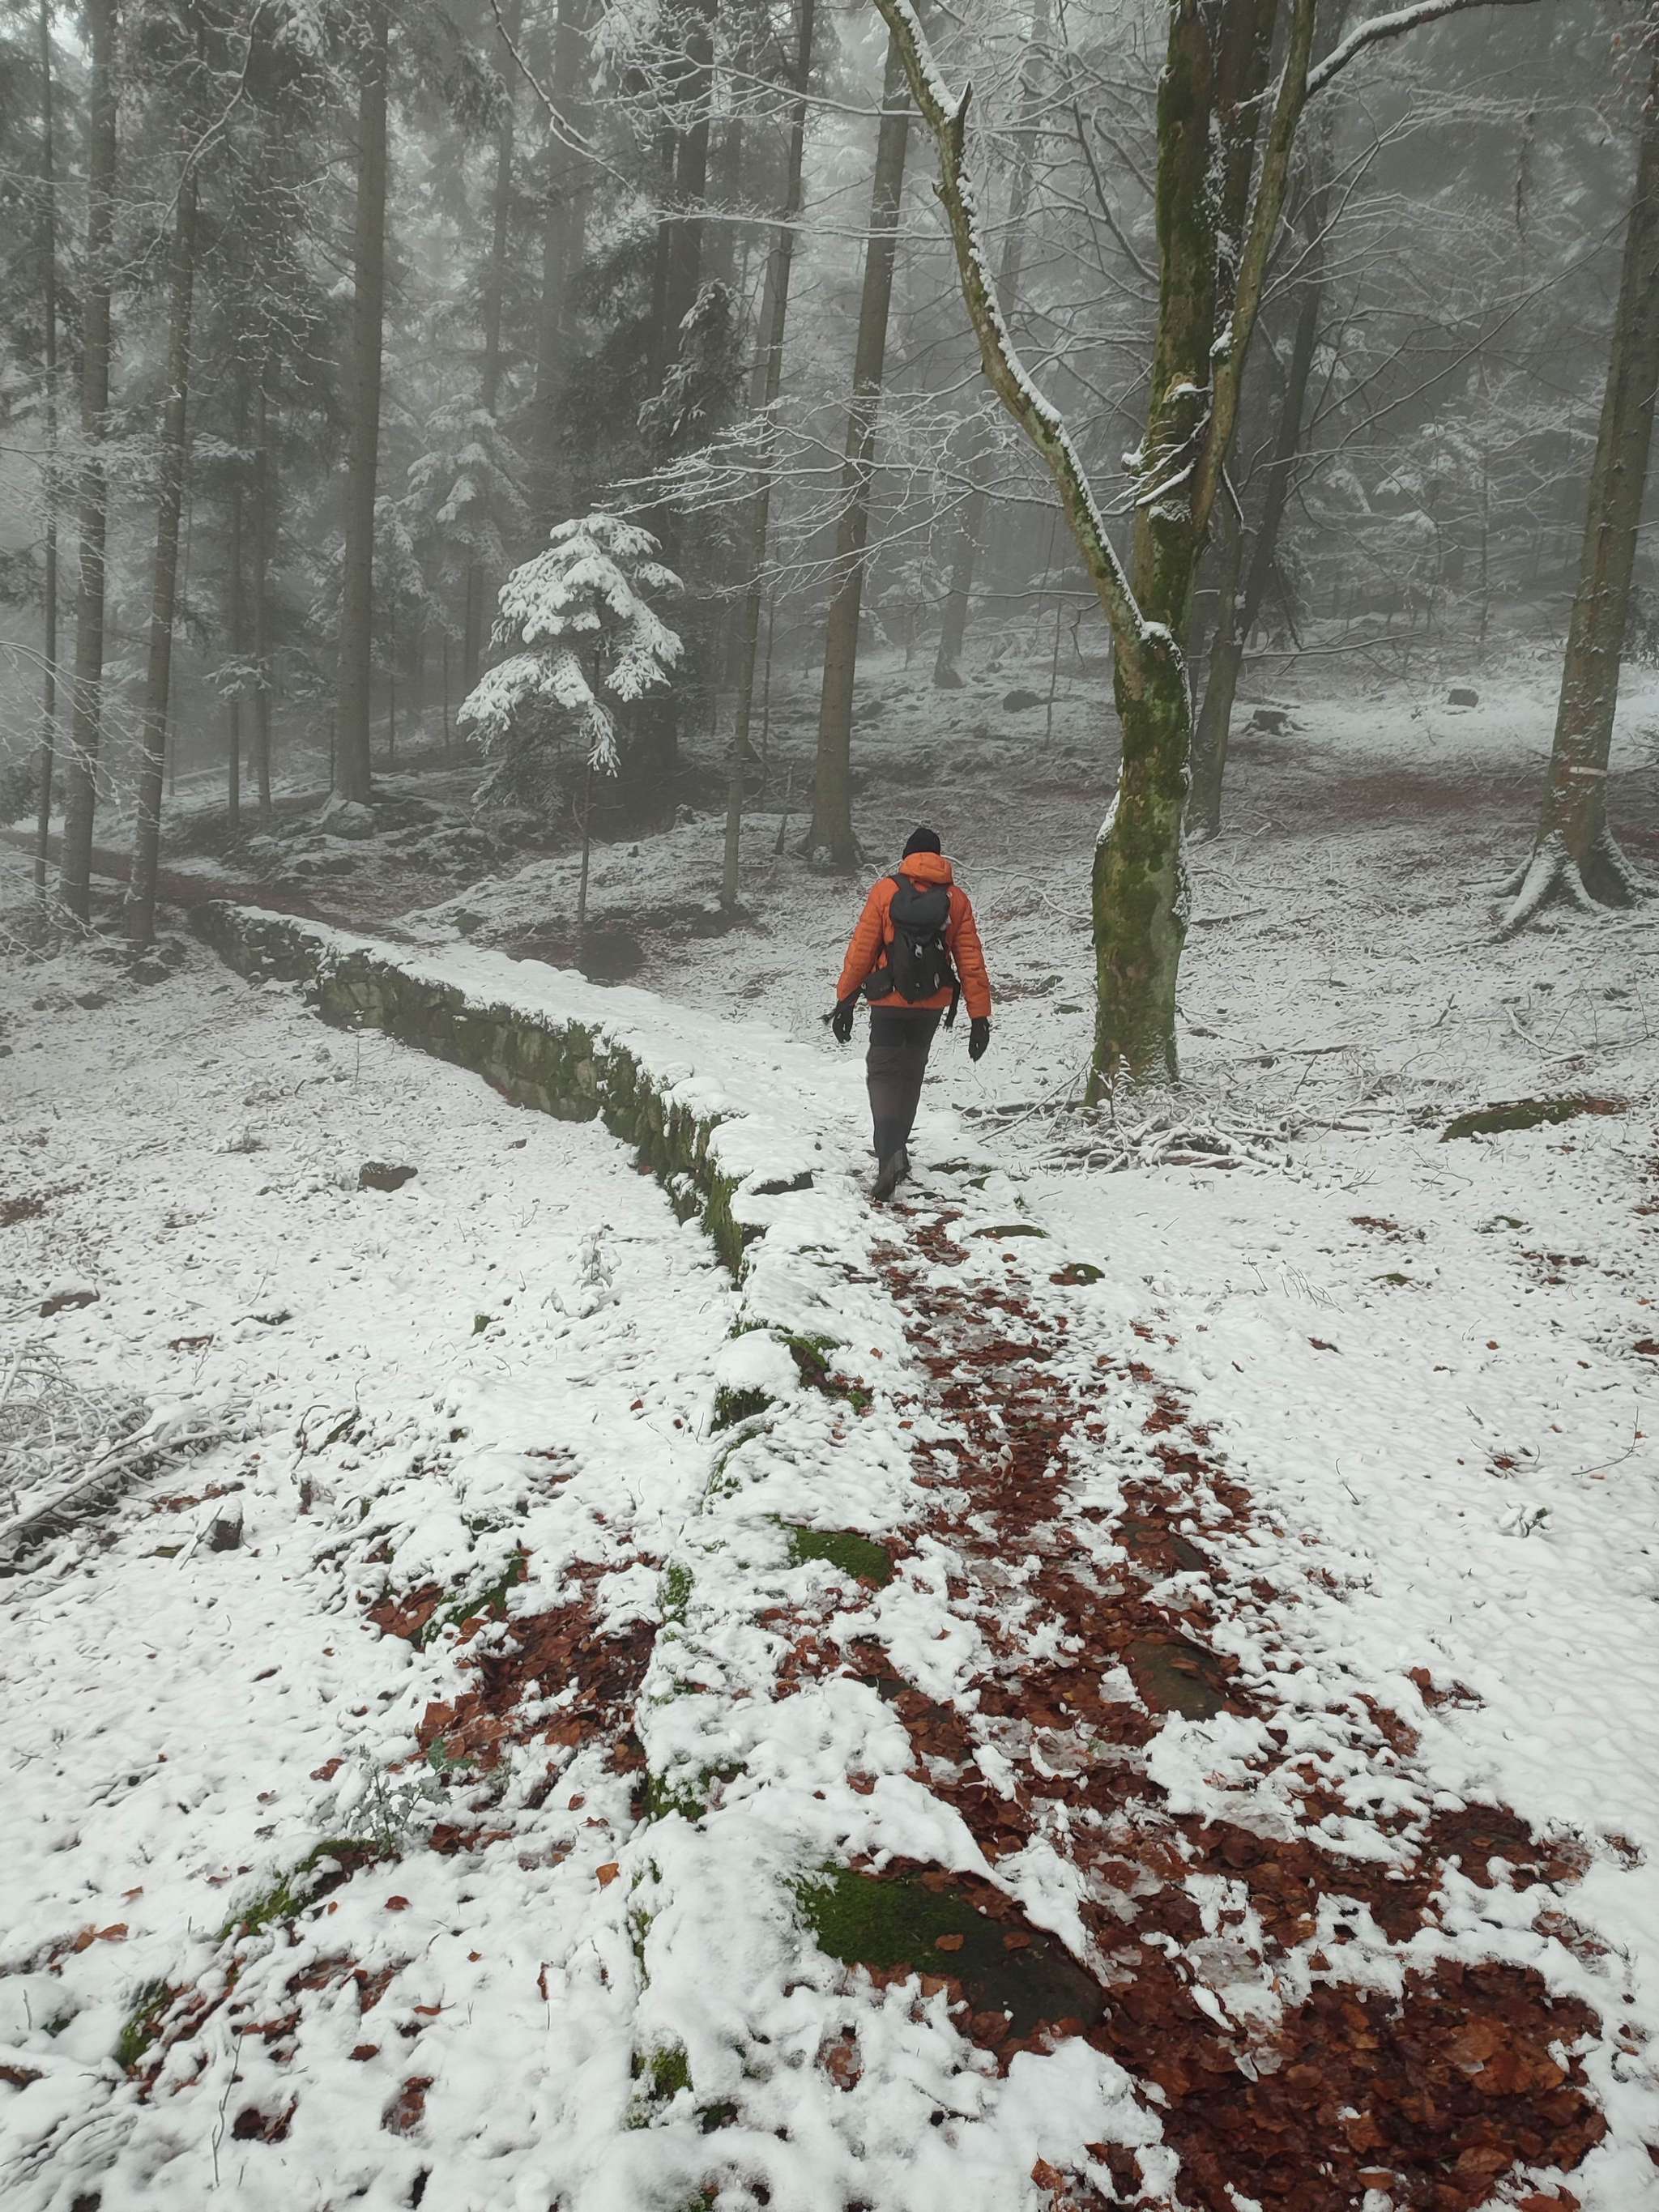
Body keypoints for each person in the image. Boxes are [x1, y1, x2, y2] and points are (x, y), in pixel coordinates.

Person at [827, 827, 992, 1200]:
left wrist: (845, 1002)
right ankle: (898, 1148)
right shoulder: (956, 899)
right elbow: (970, 960)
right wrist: (979, 1016)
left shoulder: (886, 891)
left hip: (888, 999)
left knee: (884, 1072)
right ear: (939, 857)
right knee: (911, 1071)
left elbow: (862, 950)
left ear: (907, 856)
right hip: (931, 1003)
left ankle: (889, 1153)